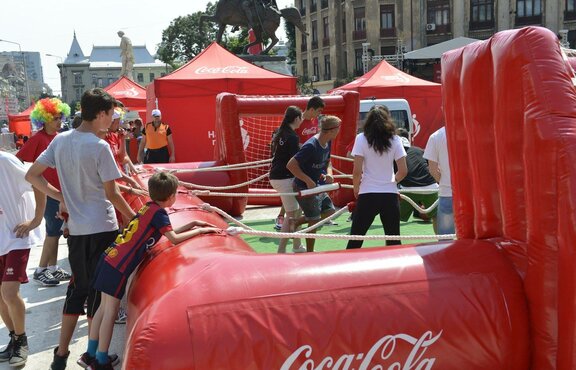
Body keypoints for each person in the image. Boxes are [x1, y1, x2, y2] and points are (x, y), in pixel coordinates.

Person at [25, 88, 136, 370]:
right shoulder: (99, 147)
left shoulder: (61, 141)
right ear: (100, 114)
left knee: (77, 289)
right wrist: (137, 219)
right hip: (102, 227)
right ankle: (94, 354)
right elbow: (112, 194)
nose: (112, 120)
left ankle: (61, 355)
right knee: (100, 295)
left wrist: (62, 197)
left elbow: (32, 175)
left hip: (76, 230)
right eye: (111, 114)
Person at [78, 172, 219, 370]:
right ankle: (100, 361)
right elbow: (174, 238)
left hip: (109, 258)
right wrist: (202, 231)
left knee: (102, 308)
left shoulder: (149, 208)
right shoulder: (159, 213)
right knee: (110, 312)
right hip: (118, 266)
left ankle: (90, 354)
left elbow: (168, 231)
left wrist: (194, 223)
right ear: (170, 197)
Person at [16, 98, 72, 287]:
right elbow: (19, 161)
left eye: (60, 117)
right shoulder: (38, 138)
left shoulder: (57, 137)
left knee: (55, 231)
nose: (59, 121)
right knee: (52, 232)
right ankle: (41, 270)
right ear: (44, 119)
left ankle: (53, 268)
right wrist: (31, 185)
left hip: (59, 191)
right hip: (48, 192)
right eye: (55, 118)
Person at [0, 151, 46, 367]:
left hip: (16, 235)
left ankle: (22, 341)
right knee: (1, 295)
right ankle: (13, 338)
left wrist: (36, 219)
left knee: (9, 291)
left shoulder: (5, 161)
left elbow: (38, 180)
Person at [346, 106, 407, 249]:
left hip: (367, 193)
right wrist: (392, 182)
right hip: (389, 195)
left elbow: (357, 171)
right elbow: (403, 171)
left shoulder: (361, 138)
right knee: (394, 241)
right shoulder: (396, 139)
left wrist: (356, 189)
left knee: (355, 239)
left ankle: (347, 269)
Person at [286, 115, 341, 252]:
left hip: (316, 185)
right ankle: (310, 252)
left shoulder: (328, 141)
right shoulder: (311, 145)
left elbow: (328, 162)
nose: (339, 131)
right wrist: (307, 180)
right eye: (338, 129)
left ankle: (297, 222)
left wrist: (329, 173)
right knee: (314, 220)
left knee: (330, 211)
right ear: (331, 130)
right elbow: (291, 165)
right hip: (303, 187)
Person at [269, 106, 306, 254]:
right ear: (296, 119)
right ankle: (282, 249)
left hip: (276, 176)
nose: (302, 121)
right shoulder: (291, 136)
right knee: (291, 214)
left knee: (295, 212)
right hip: (284, 178)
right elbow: (293, 162)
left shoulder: (280, 133)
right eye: (301, 118)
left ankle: (297, 245)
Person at [396, 128, 439, 232]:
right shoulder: (419, 150)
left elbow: (399, 174)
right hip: (432, 188)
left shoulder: (395, 153)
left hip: (407, 190)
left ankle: (393, 244)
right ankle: (442, 242)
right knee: (437, 217)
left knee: (392, 217)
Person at [423, 126, 454, 235]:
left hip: (447, 192)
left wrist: (443, 181)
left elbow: (432, 169)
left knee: (445, 240)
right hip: (472, 195)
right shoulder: (471, 131)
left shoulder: (436, 136)